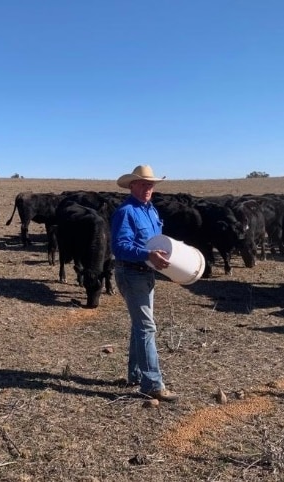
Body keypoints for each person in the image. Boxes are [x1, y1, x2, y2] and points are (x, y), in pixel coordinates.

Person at [111, 165, 179, 403]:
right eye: (143, 184)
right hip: (131, 272)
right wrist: (146, 254)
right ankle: (152, 384)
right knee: (146, 327)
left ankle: (136, 373)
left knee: (140, 325)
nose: (148, 188)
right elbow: (119, 247)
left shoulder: (151, 210)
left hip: (146, 273)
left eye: (151, 184)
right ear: (132, 186)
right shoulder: (125, 212)